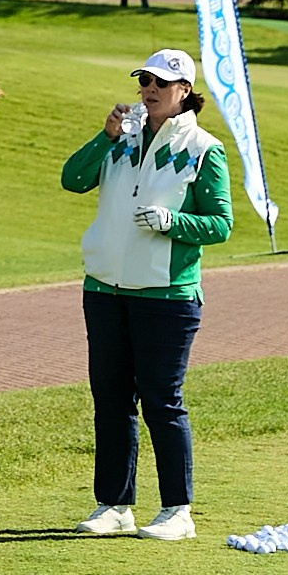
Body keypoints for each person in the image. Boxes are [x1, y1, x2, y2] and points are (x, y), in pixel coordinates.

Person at [60, 47, 232, 541]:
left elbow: (220, 224)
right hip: (105, 290)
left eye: (161, 82)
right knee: (110, 399)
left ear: (184, 92)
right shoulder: (119, 140)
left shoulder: (203, 148)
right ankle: (115, 505)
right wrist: (105, 135)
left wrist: (172, 222)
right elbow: (72, 179)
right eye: (145, 81)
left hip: (167, 296)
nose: (149, 89)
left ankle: (178, 510)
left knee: (162, 401)